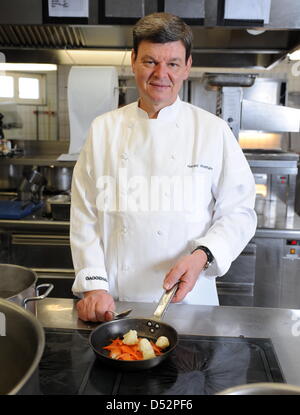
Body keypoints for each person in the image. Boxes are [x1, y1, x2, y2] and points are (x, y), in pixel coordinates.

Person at [70, 12, 257, 322]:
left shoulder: (212, 131)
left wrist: (203, 256)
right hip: (116, 303)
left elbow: (239, 211)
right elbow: (85, 214)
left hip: (191, 300)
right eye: (150, 61)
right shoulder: (103, 129)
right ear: (133, 61)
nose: (161, 74)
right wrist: (93, 286)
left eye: (172, 63)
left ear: (187, 67)